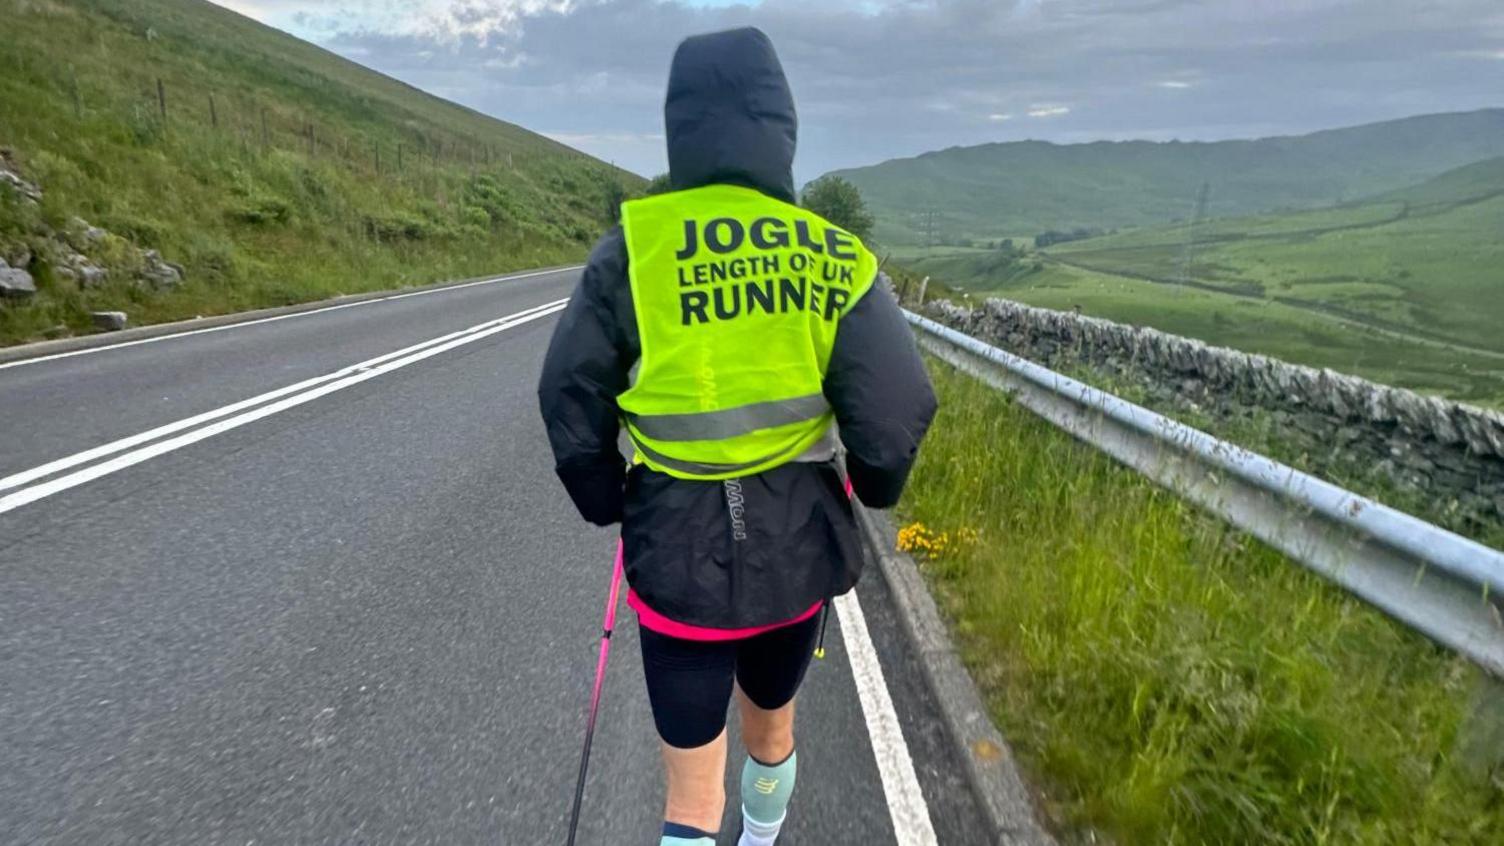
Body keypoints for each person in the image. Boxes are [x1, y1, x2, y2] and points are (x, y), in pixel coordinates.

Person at [537, 26, 936, 846]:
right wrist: (873, 490)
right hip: (797, 556)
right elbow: (896, 416)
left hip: (676, 558)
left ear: (678, 127)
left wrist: (606, 497)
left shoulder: (634, 254)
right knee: (773, 730)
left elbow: (567, 397)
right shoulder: (835, 256)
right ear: (781, 127)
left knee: (690, 790)